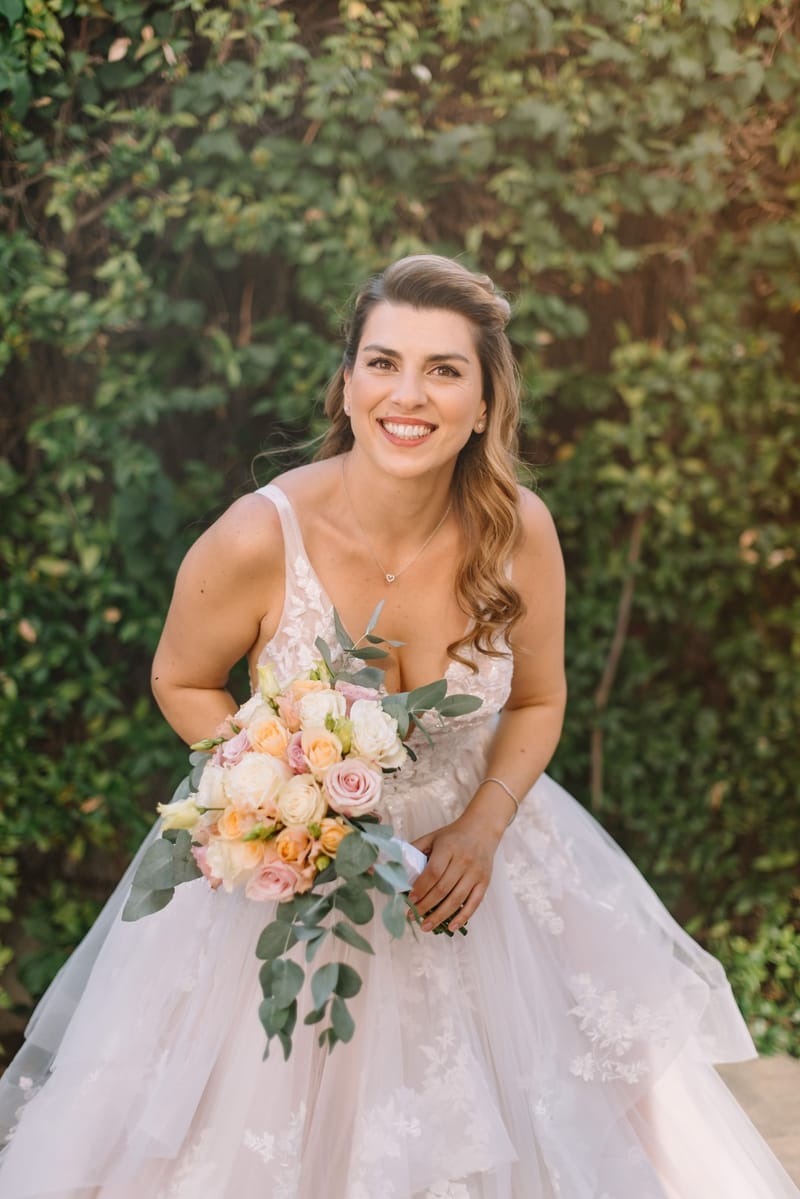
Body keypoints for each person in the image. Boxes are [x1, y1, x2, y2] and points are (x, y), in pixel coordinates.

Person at [0, 254, 796, 1198]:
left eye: (443, 370)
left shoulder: (519, 532)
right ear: (347, 383)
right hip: (296, 882)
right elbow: (180, 679)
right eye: (383, 363)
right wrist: (289, 800)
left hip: (484, 873)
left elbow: (540, 699)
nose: (406, 395)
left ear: (486, 401)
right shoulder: (260, 535)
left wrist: (485, 826)